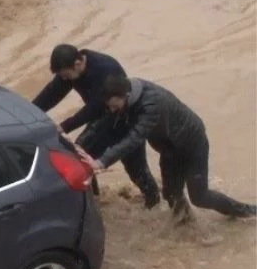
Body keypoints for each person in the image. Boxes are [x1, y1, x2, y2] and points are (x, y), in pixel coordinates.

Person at [80, 74, 256, 221]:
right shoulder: (125, 96)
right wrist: (79, 145)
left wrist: (102, 161)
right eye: (109, 106)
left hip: (192, 144)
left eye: (114, 105)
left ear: (126, 95)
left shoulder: (151, 105)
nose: (112, 110)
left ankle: (247, 212)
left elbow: (135, 138)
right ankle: (186, 227)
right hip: (169, 147)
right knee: (171, 194)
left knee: (200, 196)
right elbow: (103, 121)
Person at [32, 43, 161, 208]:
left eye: (65, 75)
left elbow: (96, 106)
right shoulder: (71, 70)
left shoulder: (105, 69)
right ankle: (95, 202)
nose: (64, 79)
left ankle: (154, 202)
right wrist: (28, 111)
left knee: (136, 169)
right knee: (80, 158)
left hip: (124, 120)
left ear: (78, 64)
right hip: (100, 121)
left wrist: (64, 126)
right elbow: (51, 94)